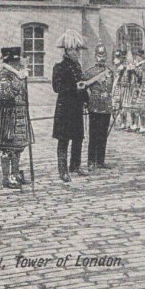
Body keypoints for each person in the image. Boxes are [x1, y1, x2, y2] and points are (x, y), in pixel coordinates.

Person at [0, 47, 34, 190]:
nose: (20, 63)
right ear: (12, 61)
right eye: (18, 60)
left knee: (18, 147)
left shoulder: (15, 74)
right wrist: (20, 79)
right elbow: (5, 95)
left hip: (19, 116)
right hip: (8, 116)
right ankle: (7, 178)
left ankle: (15, 173)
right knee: (7, 148)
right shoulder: (3, 76)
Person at [52, 29, 90, 182]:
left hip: (76, 107)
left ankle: (75, 165)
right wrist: (75, 87)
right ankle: (63, 170)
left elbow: (82, 85)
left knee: (78, 137)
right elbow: (57, 88)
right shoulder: (59, 67)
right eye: (75, 50)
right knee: (64, 139)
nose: (78, 53)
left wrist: (86, 100)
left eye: (78, 50)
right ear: (67, 50)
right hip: (64, 108)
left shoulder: (77, 67)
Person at [84, 44, 114, 171]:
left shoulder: (110, 72)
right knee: (94, 134)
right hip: (95, 105)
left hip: (106, 106)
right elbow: (84, 88)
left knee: (103, 134)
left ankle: (100, 160)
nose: (102, 57)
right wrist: (86, 102)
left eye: (104, 55)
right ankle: (91, 161)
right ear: (95, 56)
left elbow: (111, 88)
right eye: (99, 55)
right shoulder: (90, 72)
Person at [110, 49, 127, 131]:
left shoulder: (121, 68)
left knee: (119, 105)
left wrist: (113, 89)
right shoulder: (117, 67)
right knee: (115, 105)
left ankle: (121, 123)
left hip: (120, 87)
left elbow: (117, 79)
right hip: (117, 86)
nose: (115, 59)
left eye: (117, 57)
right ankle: (117, 122)